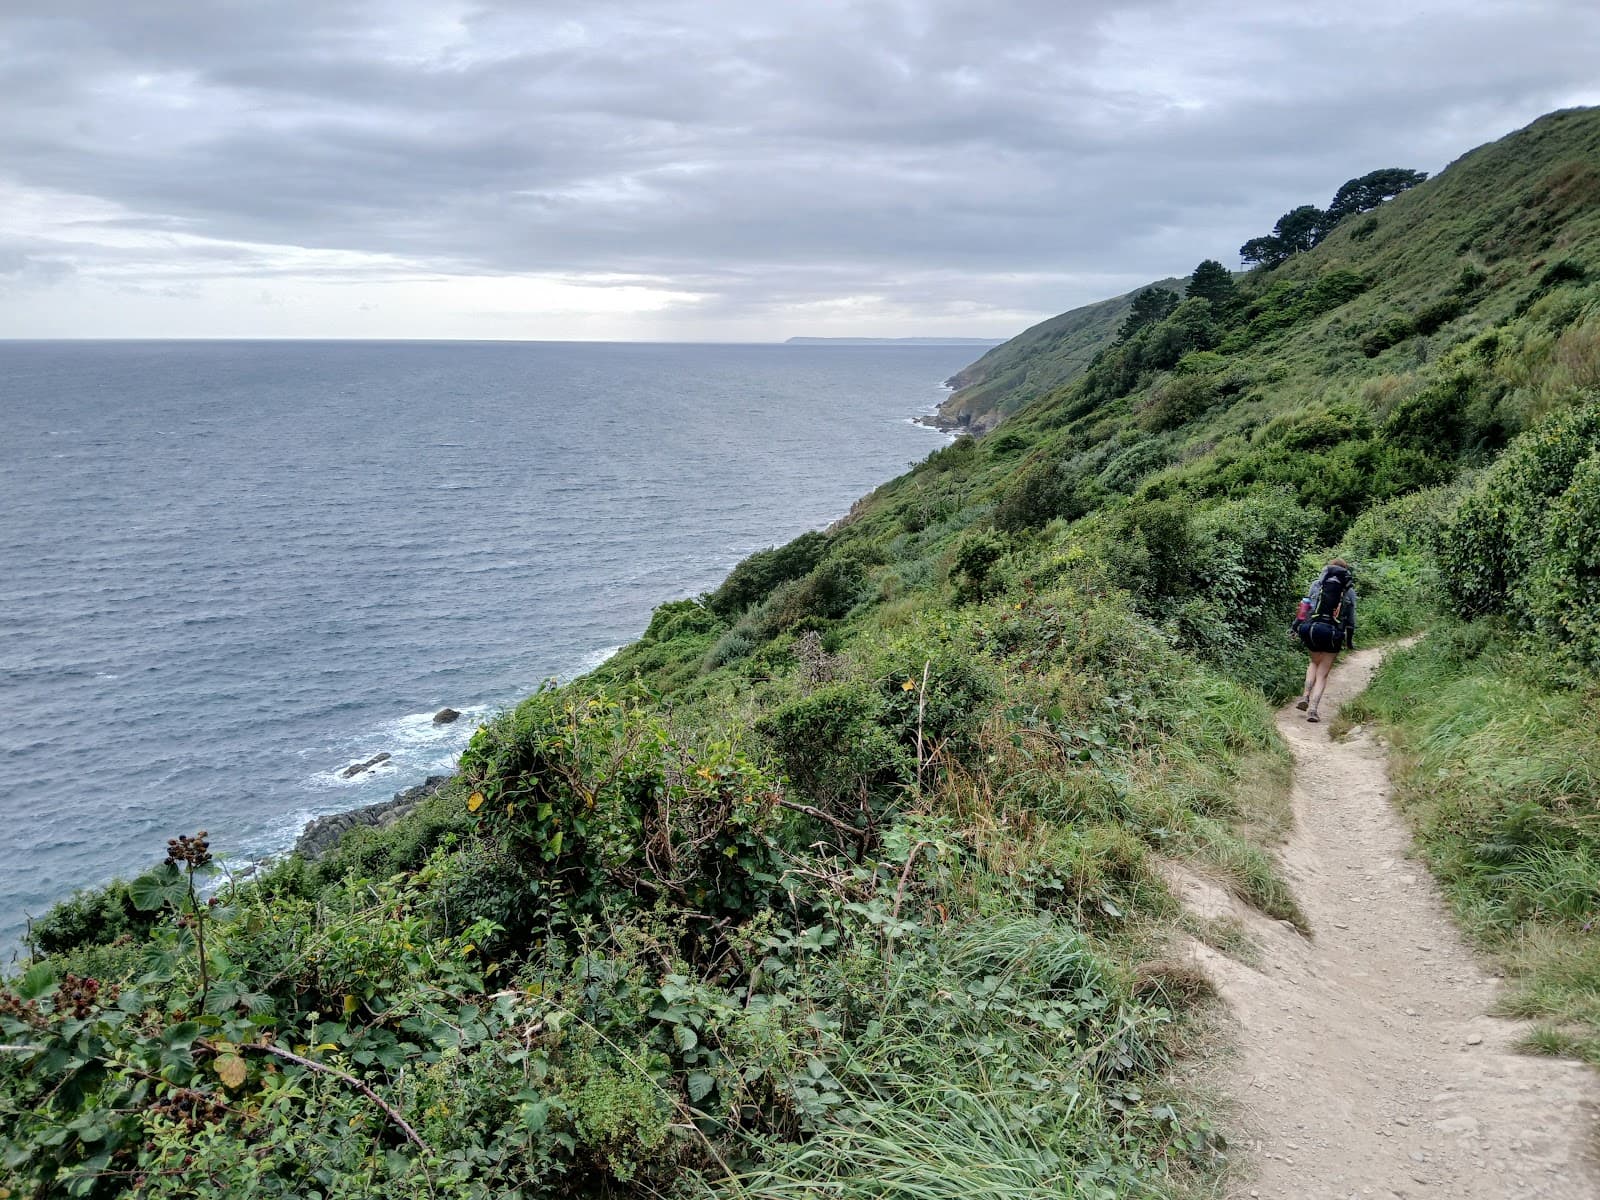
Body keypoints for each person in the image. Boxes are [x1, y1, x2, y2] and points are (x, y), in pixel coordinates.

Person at [1291, 558, 1356, 723]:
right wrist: (1349, 641)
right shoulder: (1348, 590)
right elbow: (1350, 620)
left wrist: (1295, 626)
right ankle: (1313, 710)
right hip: (1332, 633)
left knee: (1313, 663)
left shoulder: (1317, 584)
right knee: (1323, 673)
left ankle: (1305, 696)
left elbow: (1305, 606)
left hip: (1311, 629)